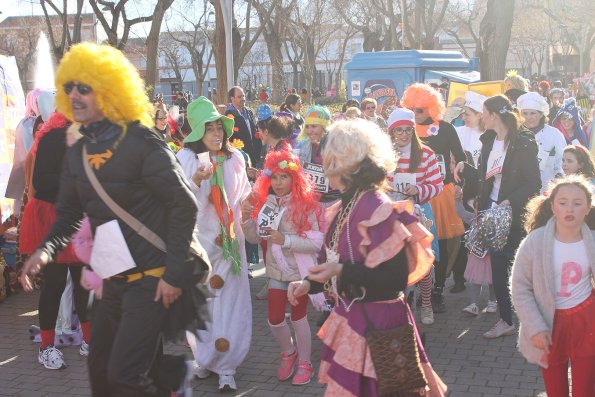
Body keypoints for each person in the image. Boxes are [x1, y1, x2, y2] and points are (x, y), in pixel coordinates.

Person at [19, 42, 205, 397]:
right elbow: (70, 213)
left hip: (151, 274)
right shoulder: (78, 148)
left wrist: (174, 272)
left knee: (128, 371)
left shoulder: (142, 142)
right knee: (110, 372)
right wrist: (45, 251)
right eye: (69, 87)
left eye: (84, 87)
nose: (73, 95)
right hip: (112, 276)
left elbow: (185, 206)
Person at [287, 118, 447, 397]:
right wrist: (308, 283)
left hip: (379, 327)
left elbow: (394, 280)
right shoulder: (345, 203)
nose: (325, 164)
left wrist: (340, 271)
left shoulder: (377, 207)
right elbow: (335, 261)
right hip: (356, 321)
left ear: (347, 162)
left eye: (331, 157)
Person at [177, 96, 252, 392]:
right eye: (210, 129)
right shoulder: (184, 159)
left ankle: (228, 367)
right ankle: (205, 358)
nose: (217, 134)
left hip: (231, 246)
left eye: (219, 127)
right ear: (198, 132)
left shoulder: (234, 158)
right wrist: (196, 179)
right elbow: (178, 203)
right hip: (199, 246)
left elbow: (244, 193)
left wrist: (251, 203)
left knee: (232, 306)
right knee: (201, 305)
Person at [454, 94, 541, 339]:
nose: (481, 116)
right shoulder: (489, 140)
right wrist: (465, 167)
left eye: (484, 112)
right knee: (498, 268)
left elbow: (533, 182)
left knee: (518, 270)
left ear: (494, 115)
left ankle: (529, 319)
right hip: (491, 214)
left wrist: (509, 200)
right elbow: (486, 177)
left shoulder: (522, 142)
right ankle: (506, 320)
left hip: (512, 215)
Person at [242, 150, 323, 386]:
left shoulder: (306, 206)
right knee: (274, 319)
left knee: (299, 319)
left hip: (299, 272)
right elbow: (255, 239)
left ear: (294, 179)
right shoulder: (265, 204)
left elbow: (316, 243)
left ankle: (305, 362)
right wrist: (246, 220)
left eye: (284, 177)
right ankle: (288, 352)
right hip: (275, 270)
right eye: (274, 178)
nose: (278, 183)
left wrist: (284, 239)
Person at [19, 111, 91, 369]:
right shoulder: (54, 136)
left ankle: (89, 341)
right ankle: (46, 347)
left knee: (84, 282)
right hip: (54, 216)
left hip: (81, 217)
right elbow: (40, 181)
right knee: (55, 282)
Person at [511, 175, 595, 397]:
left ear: (587, 208)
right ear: (552, 206)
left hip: (587, 322)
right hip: (549, 322)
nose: (570, 208)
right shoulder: (535, 242)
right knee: (555, 390)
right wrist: (535, 325)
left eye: (577, 203)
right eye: (563, 202)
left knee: (584, 390)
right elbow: (520, 287)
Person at [402, 83, 466, 312]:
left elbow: (461, 157)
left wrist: (461, 181)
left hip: (440, 192)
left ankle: (436, 291)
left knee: (441, 246)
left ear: (431, 108)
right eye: (411, 109)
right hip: (409, 195)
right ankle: (412, 290)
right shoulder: (404, 130)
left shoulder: (446, 129)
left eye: (420, 109)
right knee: (411, 244)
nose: (416, 115)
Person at [386, 108, 444, 325]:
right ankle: (400, 305)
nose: (403, 134)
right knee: (395, 262)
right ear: (391, 132)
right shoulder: (384, 154)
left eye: (407, 130)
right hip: (391, 214)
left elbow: (437, 186)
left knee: (424, 260)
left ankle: (427, 303)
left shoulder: (426, 154)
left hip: (419, 211)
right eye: (398, 130)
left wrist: (418, 189)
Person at [453, 185, 497, 316]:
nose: (477, 210)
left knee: (492, 280)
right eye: (476, 207)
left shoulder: (494, 219)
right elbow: (460, 212)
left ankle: (492, 301)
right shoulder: (474, 218)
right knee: (475, 280)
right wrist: (458, 200)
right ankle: (473, 304)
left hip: (491, 256)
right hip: (476, 256)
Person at [517, 92, 567, 192]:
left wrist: (559, 180)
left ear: (541, 114)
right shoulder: (515, 134)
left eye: (533, 113)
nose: (528, 117)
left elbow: (561, 161)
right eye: (525, 113)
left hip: (547, 189)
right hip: (520, 190)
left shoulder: (554, 134)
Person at [225, 86, 261, 166]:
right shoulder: (228, 116)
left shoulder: (249, 112)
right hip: (240, 158)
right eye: (239, 97)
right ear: (232, 98)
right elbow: (228, 138)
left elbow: (255, 129)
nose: (243, 98)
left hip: (254, 157)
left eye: (243, 96)